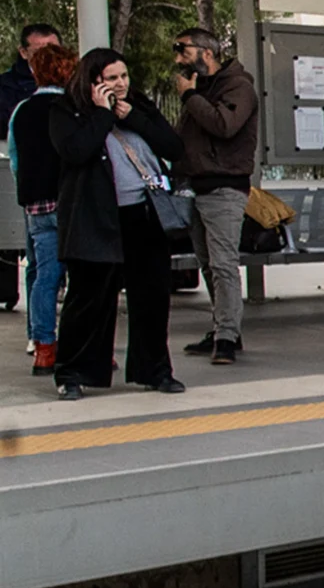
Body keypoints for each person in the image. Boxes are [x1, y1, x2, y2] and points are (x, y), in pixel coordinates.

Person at [50, 47, 184, 399]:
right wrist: (102, 115)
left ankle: (155, 370)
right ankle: (73, 372)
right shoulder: (67, 110)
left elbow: (174, 147)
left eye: (124, 76)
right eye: (111, 78)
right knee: (90, 298)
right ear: (93, 80)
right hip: (96, 219)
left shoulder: (137, 105)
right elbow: (76, 152)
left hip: (143, 214)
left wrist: (134, 118)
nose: (121, 83)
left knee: (152, 297)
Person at [170, 26, 258, 366]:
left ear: (207, 52)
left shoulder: (237, 86)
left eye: (183, 49)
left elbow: (225, 125)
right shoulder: (199, 88)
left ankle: (226, 337)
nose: (178, 57)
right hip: (196, 185)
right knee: (207, 263)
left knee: (223, 264)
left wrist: (191, 98)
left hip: (224, 187)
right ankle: (223, 326)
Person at [8, 42, 73, 375]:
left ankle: (43, 347)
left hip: (36, 205)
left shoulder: (22, 110)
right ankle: (83, 345)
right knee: (82, 277)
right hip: (71, 204)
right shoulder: (71, 108)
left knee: (44, 276)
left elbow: (16, 159)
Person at [0, 22, 61, 132]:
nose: (48, 57)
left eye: (54, 50)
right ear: (24, 53)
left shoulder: (76, 79)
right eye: (39, 52)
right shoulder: (5, 85)